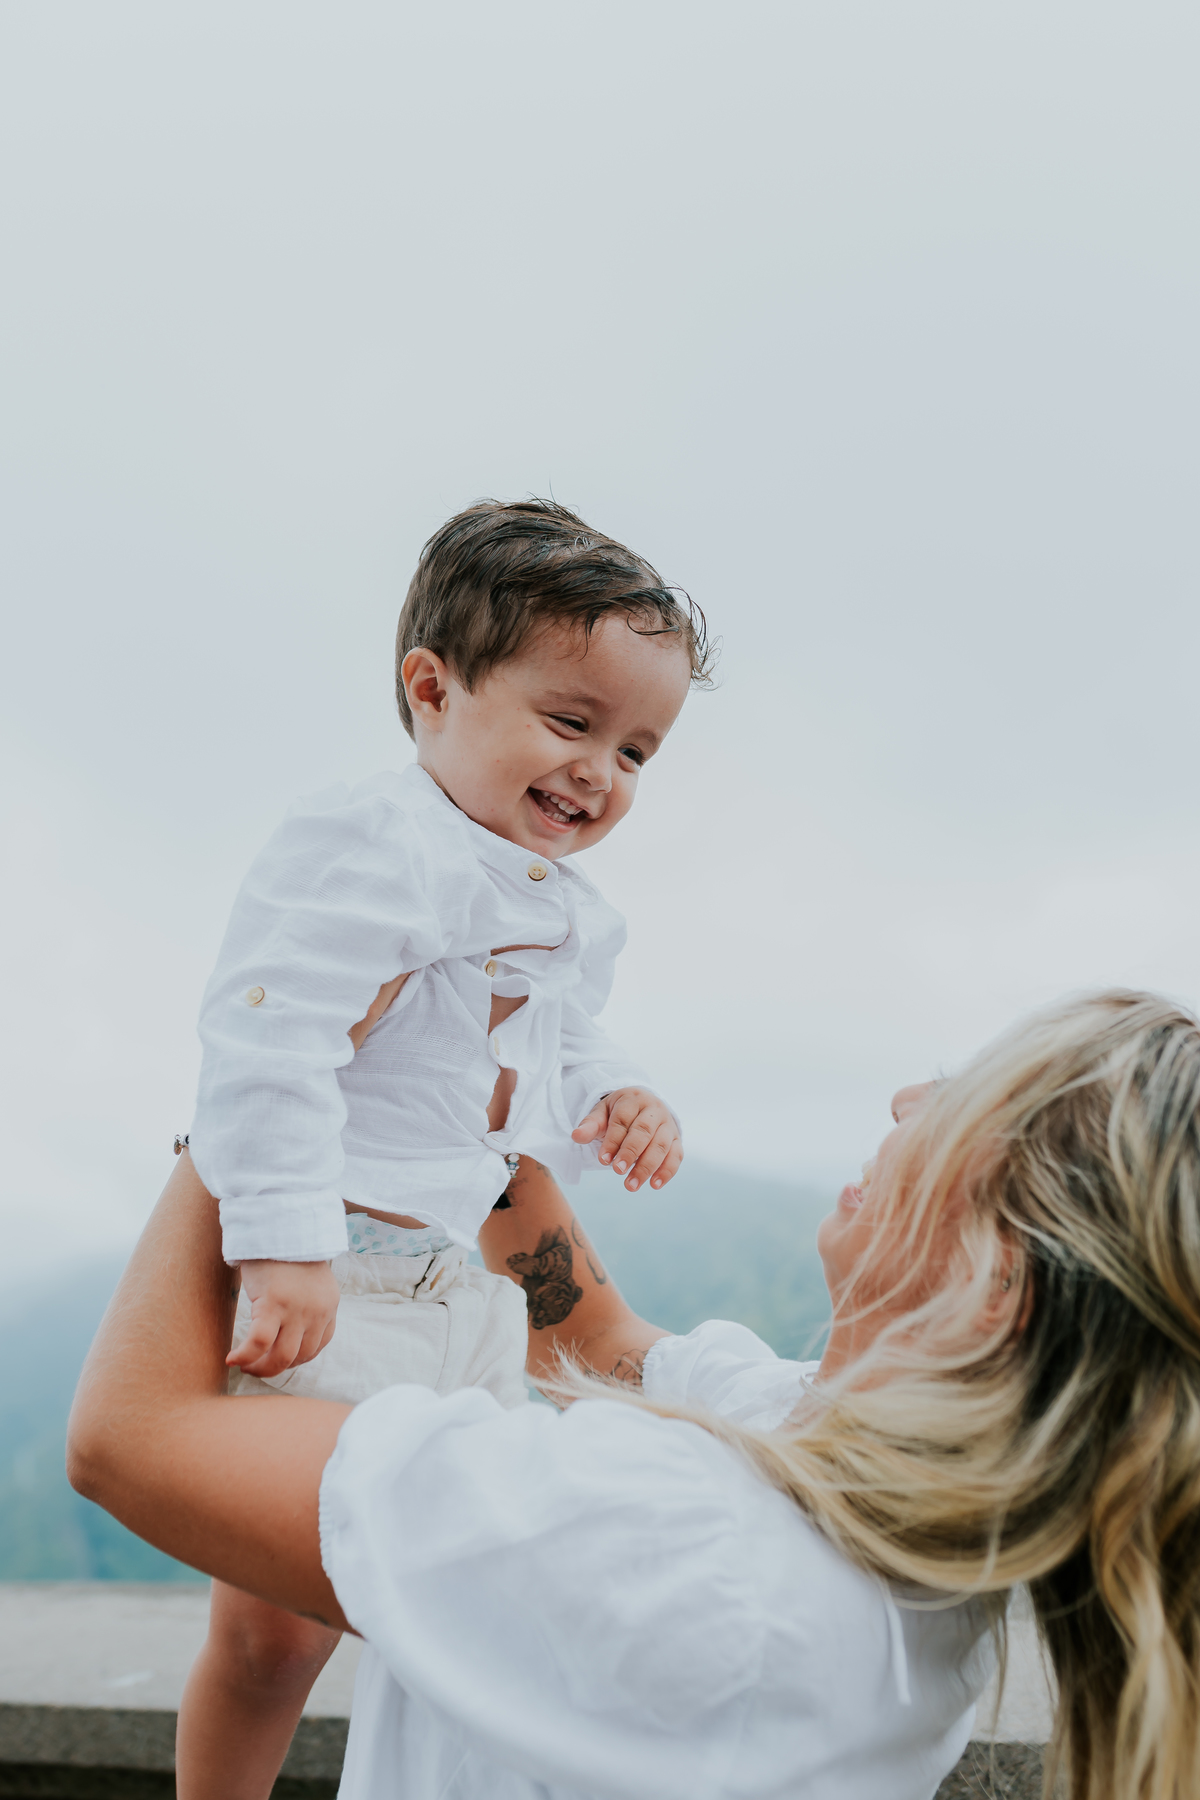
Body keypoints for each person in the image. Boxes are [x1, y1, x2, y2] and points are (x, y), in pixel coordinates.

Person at [69, 988, 1200, 1800]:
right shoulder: (850, 1463)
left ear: (996, 1281)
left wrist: (261, 1099)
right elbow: (594, 1336)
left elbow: (134, 1437)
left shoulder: (678, 1547)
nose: (908, 1099)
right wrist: (477, 1099)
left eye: (957, 1102)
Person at [174, 498, 710, 1797]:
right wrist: (287, 1248)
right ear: (433, 688)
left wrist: (623, 1094)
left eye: (637, 751)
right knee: (274, 1624)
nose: (602, 773)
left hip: (463, 1291)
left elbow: (568, 1045)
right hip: (338, 1271)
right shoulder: (370, 842)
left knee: (459, 1597)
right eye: (572, 723)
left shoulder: (574, 914)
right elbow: (269, 1034)